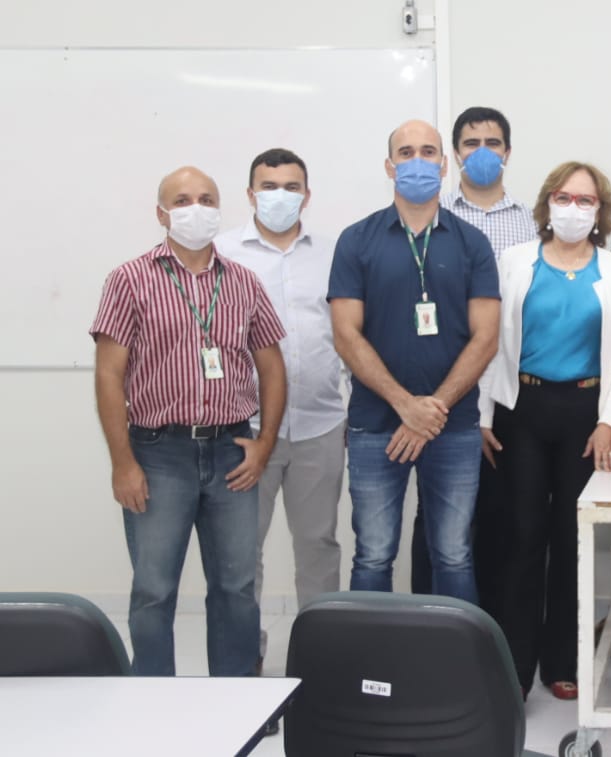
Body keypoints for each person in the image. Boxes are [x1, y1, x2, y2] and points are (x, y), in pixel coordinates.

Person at [91, 166, 286, 678]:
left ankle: (234, 700)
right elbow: (109, 375)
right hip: (158, 453)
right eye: (181, 201)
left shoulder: (243, 282)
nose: (195, 209)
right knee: (154, 589)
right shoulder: (129, 279)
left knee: (236, 587)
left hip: (230, 452)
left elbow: (271, 366)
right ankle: (154, 701)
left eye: (205, 199)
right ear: (161, 214)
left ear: (220, 209)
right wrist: (123, 463)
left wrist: (265, 442)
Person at [478, 161, 611, 701]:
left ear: (601, 211)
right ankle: (515, 664)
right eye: (565, 197)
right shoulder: (513, 261)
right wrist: (483, 415)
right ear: (548, 203)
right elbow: (489, 343)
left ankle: (562, 661)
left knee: (573, 538)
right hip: (520, 409)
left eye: (586, 200)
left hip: (585, 415)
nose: (574, 208)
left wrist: (609, 422)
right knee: (523, 537)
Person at [328, 119, 500, 601]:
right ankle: (372, 650)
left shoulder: (471, 243)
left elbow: (486, 338)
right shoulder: (356, 240)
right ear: (389, 166)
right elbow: (345, 335)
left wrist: (431, 411)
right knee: (373, 554)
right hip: (375, 425)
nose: (417, 162)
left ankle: (455, 650)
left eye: (428, 152)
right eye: (406, 153)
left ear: (444, 166)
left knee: (454, 553)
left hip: (454, 425)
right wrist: (406, 406)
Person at [214, 148, 345, 677]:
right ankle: (246, 655)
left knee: (318, 546)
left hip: (321, 423)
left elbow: (349, 332)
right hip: (245, 432)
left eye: (291, 187)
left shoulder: (335, 253)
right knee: (241, 553)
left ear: (307, 196)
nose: (279, 196)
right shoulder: (222, 253)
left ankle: (320, 657)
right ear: (250, 195)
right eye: (268, 187)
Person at [411, 106, 538, 609]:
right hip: (447, 388)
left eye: (493, 143)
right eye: (470, 143)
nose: (482, 152)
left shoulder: (534, 222)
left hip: (516, 390)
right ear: (455, 153)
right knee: (438, 520)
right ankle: (431, 628)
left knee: (510, 516)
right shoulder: (432, 218)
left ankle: (497, 632)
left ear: (508, 152)